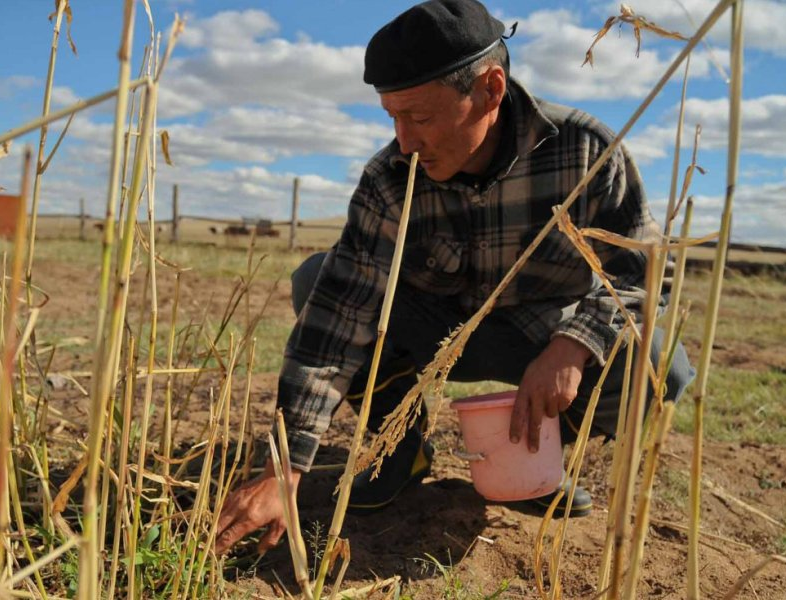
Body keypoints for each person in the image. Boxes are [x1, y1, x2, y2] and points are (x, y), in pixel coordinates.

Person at [214, 0, 693, 555]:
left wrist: (574, 345)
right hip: (431, 331)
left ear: (491, 89)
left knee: (660, 364)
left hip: (541, 336)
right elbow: (334, 322)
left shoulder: (585, 150)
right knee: (318, 279)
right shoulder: (390, 178)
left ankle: (527, 457)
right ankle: (400, 446)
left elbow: (644, 271)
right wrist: (287, 466)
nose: (404, 140)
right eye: (392, 117)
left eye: (418, 117)